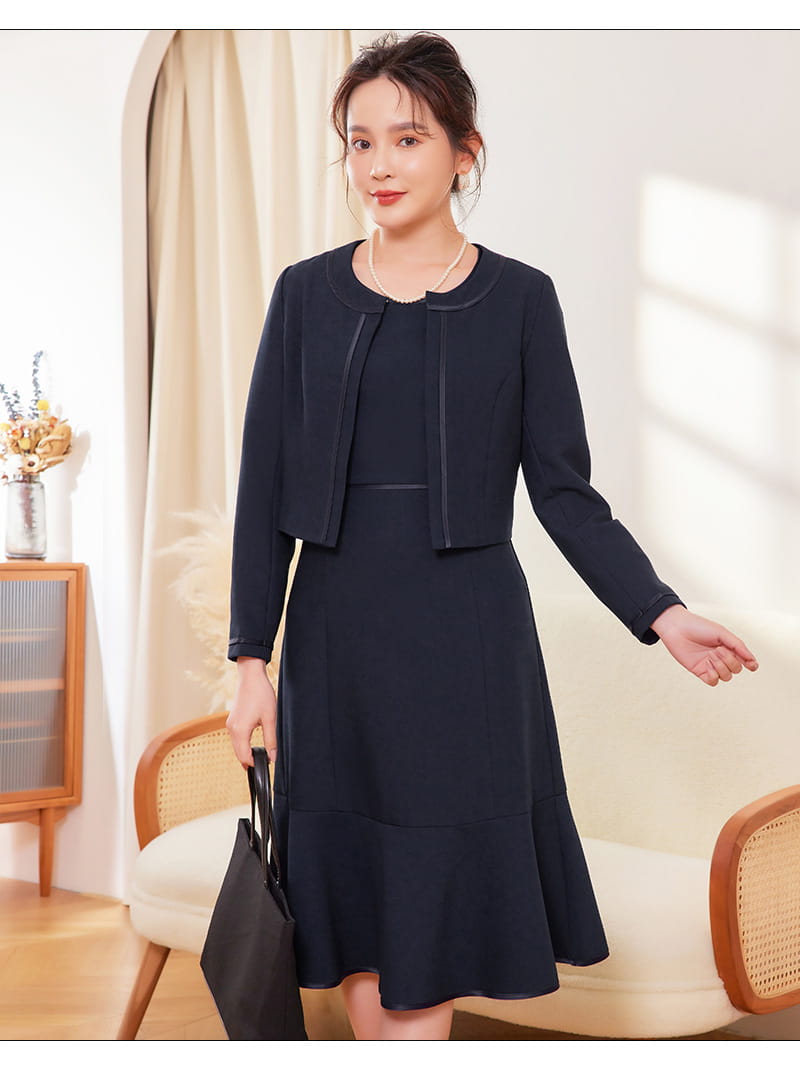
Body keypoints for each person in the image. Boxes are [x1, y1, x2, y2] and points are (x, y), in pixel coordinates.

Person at [225, 30, 759, 1042]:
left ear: (464, 152)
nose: (378, 165)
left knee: (425, 937)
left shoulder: (519, 299)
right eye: (359, 142)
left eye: (407, 139)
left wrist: (660, 612)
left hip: (463, 650)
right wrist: (249, 660)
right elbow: (263, 492)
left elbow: (563, 493)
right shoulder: (302, 295)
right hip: (332, 649)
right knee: (359, 931)